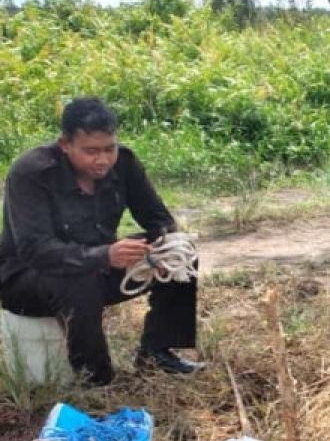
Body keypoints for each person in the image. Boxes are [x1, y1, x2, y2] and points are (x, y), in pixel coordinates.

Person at [0, 97, 200, 386]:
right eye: (91, 151)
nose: (103, 159)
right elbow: (34, 250)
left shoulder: (125, 164)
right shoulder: (31, 173)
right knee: (81, 279)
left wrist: (162, 252)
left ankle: (157, 353)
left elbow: (159, 219)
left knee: (181, 249)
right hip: (27, 278)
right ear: (65, 145)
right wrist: (104, 255)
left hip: (98, 266)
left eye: (109, 149)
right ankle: (95, 380)